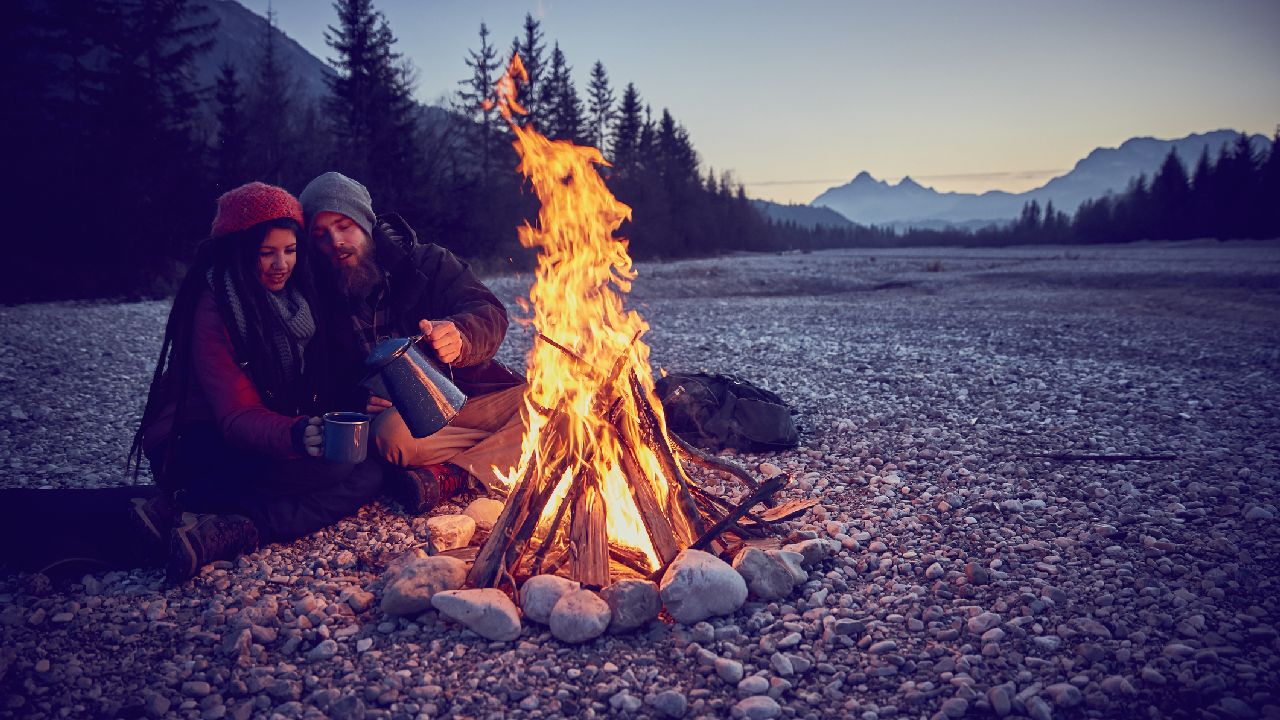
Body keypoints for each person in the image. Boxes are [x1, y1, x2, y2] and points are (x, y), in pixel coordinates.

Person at [128, 181, 382, 582]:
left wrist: (347, 398)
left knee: (367, 469)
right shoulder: (214, 304)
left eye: (290, 250)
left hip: (254, 436)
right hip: (194, 443)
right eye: (267, 253)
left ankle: (225, 526)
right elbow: (236, 414)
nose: (281, 264)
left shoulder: (294, 298)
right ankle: (193, 502)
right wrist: (296, 436)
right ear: (241, 251)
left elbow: (301, 386)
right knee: (332, 472)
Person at [297, 172, 525, 512]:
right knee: (390, 439)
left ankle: (454, 474)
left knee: (561, 404)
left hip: (470, 401)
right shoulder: (315, 295)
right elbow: (314, 381)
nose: (336, 241)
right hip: (406, 426)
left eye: (344, 226)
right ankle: (492, 460)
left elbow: (489, 311)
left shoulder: (427, 263)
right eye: (321, 235)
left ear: (366, 223)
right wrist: (356, 398)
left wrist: (460, 335)